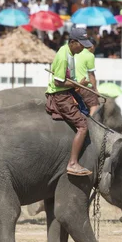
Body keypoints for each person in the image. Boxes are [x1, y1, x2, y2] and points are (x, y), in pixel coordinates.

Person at [45, 27, 94, 176]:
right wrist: (77, 85)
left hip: (67, 91)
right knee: (83, 126)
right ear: (73, 42)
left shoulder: (71, 53)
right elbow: (59, 82)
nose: (83, 48)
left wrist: (77, 85)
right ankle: (72, 163)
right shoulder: (63, 56)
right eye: (81, 44)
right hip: (60, 95)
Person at [75, 38, 100, 115]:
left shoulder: (76, 53)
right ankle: (92, 125)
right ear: (92, 46)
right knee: (95, 106)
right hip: (85, 86)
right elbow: (91, 75)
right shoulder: (90, 55)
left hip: (73, 84)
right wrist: (95, 90)